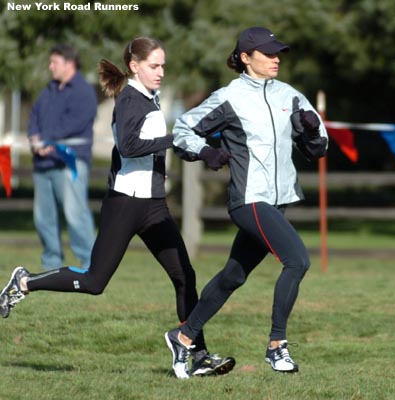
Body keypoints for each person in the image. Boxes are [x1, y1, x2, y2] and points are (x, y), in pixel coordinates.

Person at [0, 37, 234, 379]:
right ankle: (24, 281)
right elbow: (128, 145)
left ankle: (194, 352)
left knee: (184, 275)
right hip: (124, 204)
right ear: (135, 66)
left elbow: (161, 147)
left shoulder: (151, 100)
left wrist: (204, 150)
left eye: (163, 66)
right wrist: (174, 140)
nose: (161, 72)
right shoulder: (129, 99)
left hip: (154, 206)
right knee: (95, 282)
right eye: (154, 66)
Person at [164, 27, 328, 374]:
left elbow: (318, 149)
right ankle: (276, 346)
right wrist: (206, 151)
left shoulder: (290, 96)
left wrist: (313, 132)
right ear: (244, 57)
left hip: (279, 200)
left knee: (233, 276)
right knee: (297, 260)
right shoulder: (230, 97)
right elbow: (182, 131)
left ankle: (183, 337)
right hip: (249, 200)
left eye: (278, 52)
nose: (276, 58)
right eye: (268, 53)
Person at [28, 44, 97, 271]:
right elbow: (34, 115)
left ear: (69, 63)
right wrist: (34, 138)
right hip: (43, 163)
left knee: (75, 214)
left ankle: (90, 264)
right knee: (43, 217)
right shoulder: (48, 90)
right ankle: (51, 262)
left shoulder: (83, 92)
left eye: (54, 62)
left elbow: (75, 122)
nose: (50, 67)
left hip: (69, 162)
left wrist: (47, 139)